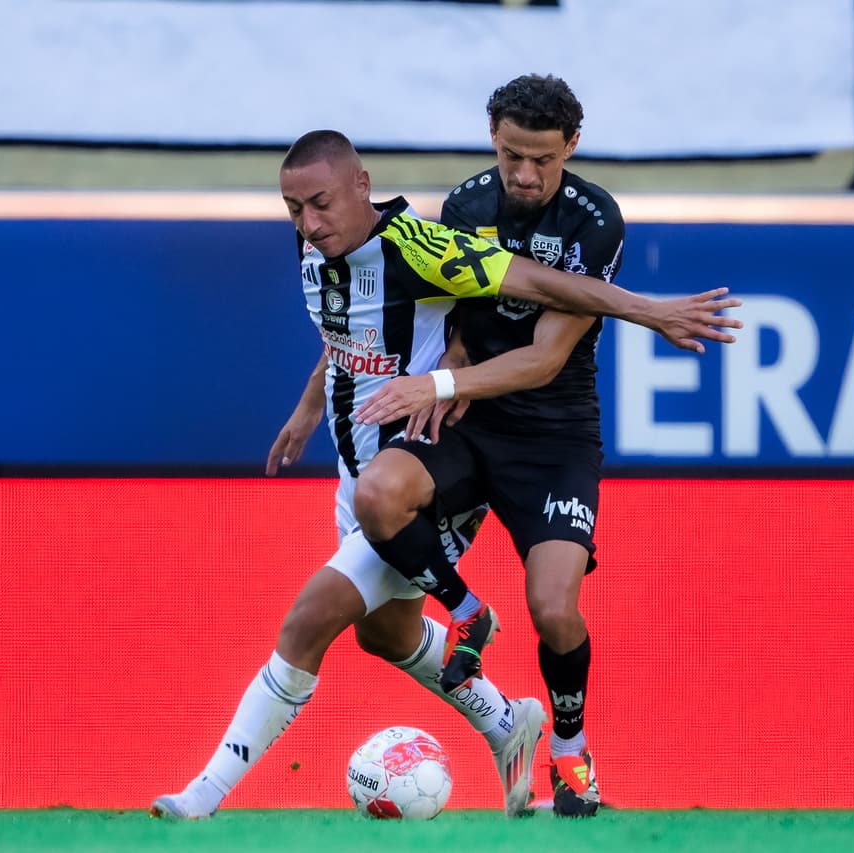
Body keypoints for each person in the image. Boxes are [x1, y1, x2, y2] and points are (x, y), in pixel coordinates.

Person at [151, 128, 739, 821]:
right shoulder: (316, 245)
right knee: (386, 633)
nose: (307, 222)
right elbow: (346, 330)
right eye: (293, 208)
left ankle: (204, 794)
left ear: (362, 186)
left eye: (320, 204)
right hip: (354, 473)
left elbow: (542, 283)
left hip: (417, 473)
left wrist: (652, 310)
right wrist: (310, 403)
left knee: (309, 621)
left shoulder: (424, 248)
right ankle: (508, 723)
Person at [351, 74, 742, 817]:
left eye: (542, 159)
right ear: (492, 140)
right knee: (378, 493)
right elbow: (457, 321)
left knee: (554, 609)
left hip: (554, 435)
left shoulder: (597, 219)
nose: (525, 175)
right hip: (472, 419)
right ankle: (467, 610)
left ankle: (570, 749)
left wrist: (435, 384)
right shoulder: (466, 207)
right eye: (511, 156)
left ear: (572, 146)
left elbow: (543, 359)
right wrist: (451, 371)